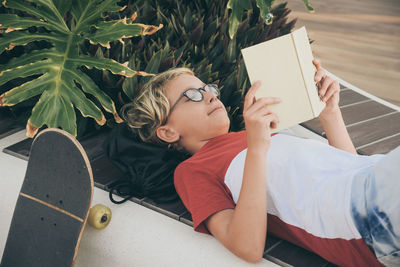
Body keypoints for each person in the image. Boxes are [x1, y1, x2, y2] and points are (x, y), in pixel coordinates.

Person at [121, 59, 399, 267]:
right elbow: (247, 246)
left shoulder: (254, 135)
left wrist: (330, 114)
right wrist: (256, 146)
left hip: (372, 181)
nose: (210, 95)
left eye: (207, 88)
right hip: (365, 220)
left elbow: (345, 169)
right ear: (168, 131)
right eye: (192, 95)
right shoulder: (194, 170)